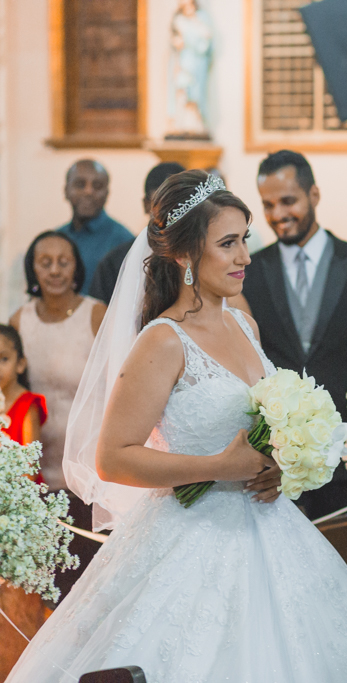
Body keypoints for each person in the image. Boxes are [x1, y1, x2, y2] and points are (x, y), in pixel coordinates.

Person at [5, 170, 347, 682]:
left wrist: (279, 464)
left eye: (245, 239)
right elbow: (113, 456)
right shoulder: (163, 340)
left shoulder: (245, 324)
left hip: (273, 528)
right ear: (185, 256)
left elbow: (260, 424)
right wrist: (219, 466)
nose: (244, 256)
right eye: (228, 243)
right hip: (191, 539)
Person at [239, 150, 347, 520]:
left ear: (314, 195)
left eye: (288, 201)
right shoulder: (249, 274)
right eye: (267, 205)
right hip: (275, 463)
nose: (278, 214)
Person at [11, 231, 106, 598]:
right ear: (32, 269)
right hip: (41, 468)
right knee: (51, 583)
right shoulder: (20, 321)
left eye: (63, 261)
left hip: (90, 466)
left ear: (76, 267)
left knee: (90, 579)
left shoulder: (95, 314)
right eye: (44, 262)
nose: (54, 270)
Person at [90, 162, 187, 304]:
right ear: (146, 205)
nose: (172, 213)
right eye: (162, 204)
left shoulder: (205, 253)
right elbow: (100, 316)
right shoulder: (116, 261)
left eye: (179, 204)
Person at [56, 159, 134, 293]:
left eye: (97, 186)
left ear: (107, 193)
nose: (88, 192)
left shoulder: (123, 241)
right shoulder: (56, 238)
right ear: (66, 191)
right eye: (80, 185)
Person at [0, 325, 47, 480]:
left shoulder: (27, 406)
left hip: (18, 496)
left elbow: (30, 469)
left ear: (20, 364)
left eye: (4, 359)